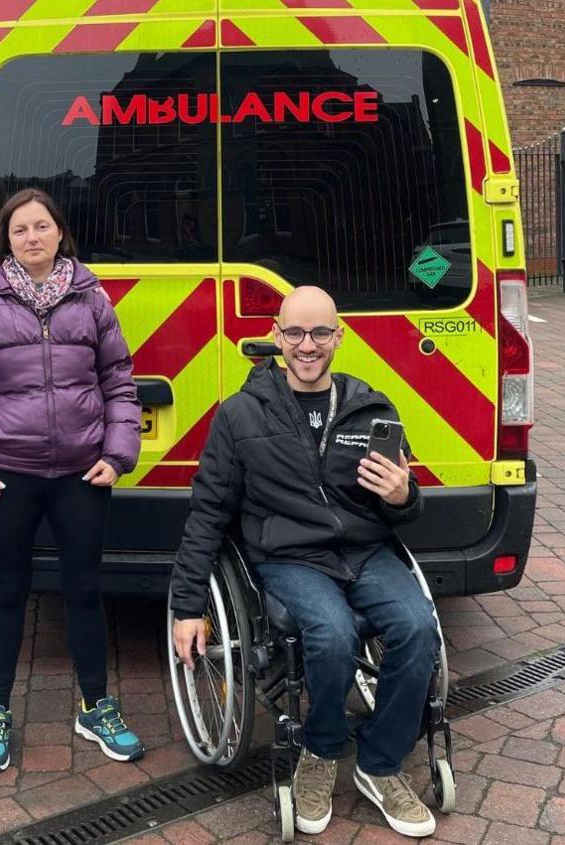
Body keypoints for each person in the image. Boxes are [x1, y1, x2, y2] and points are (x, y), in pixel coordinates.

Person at [169, 287, 440, 838]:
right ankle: (320, 752)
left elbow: (406, 512)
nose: (307, 345)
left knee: (417, 627)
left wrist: (400, 497)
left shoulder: (371, 407)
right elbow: (208, 514)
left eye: (320, 333)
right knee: (332, 634)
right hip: (291, 557)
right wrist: (187, 605)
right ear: (277, 336)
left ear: (339, 336)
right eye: (295, 333)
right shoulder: (240, 415)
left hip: (365, 551)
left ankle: (379, 763)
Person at [0, 188, 144, 773]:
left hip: (82, 471)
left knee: (83, 590)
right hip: (8, 473)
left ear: (60, 234)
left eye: (42, 226)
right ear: (7, 237)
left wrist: (118, 452)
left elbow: (118, 381)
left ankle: (95, 704)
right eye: (20, 228)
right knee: (6, 590)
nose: (32, 237)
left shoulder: (91, 297)